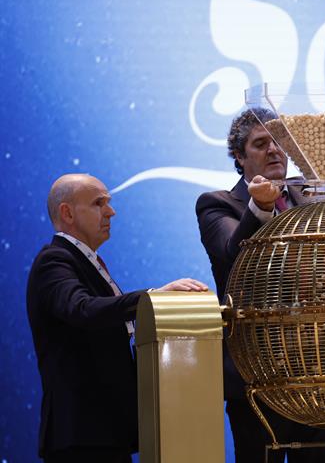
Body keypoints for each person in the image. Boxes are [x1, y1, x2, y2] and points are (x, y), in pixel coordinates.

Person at [196, 107, 325, 463]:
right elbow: (231, 254)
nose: (274, 150)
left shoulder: (311, 194)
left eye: (281, 142)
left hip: (321, 371)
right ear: (240, 158)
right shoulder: (218, 205)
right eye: (260, 144)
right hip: (259, 380)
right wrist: (260, 206)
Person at [26, 173, 208, 463]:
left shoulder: (87, 262)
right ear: (68, 212)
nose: (111, 211)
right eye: (99, 203)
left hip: (105, 433)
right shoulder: (54, 260)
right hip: (82, 436)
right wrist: (151, 297)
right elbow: (82, 309)